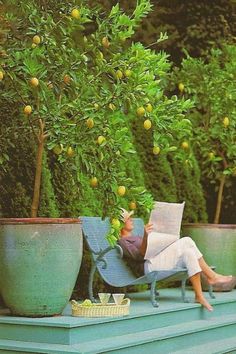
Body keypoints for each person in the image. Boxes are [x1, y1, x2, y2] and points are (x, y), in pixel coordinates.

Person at [118, 209, 235, 312]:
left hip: (156, 261)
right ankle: (212, 276)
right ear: (121, 224)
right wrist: (146, 236)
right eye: (128, 218)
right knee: (187, 241)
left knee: (188, 253)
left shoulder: (136, 237)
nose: (131, 220)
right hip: (147, 268)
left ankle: (198, 295)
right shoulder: (123, 242)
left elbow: (150, 249)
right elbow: (140, 256)